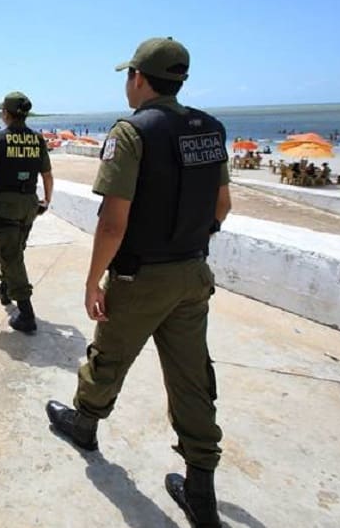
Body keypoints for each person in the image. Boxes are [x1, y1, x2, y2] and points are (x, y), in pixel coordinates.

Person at [45, 37, 232, 527]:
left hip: (141, 275)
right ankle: (201, 490)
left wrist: (93, 281)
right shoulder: (210, 129)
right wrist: (190, 239)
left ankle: (84, 423)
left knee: (109, 355)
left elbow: (113, 222)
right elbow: (222, 206)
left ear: (140, 78)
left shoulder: (131, 131)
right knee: (192, 377)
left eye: (129, 75)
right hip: (193, 272)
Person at [0, 91, 53, 334]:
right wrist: (46, 201)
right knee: (14, 249)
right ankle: (5, 288)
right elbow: (47, 175)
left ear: (6, 114)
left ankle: (26, 313)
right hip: (29, 204)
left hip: (6, 206)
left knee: (10, 255)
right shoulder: (37, 139)